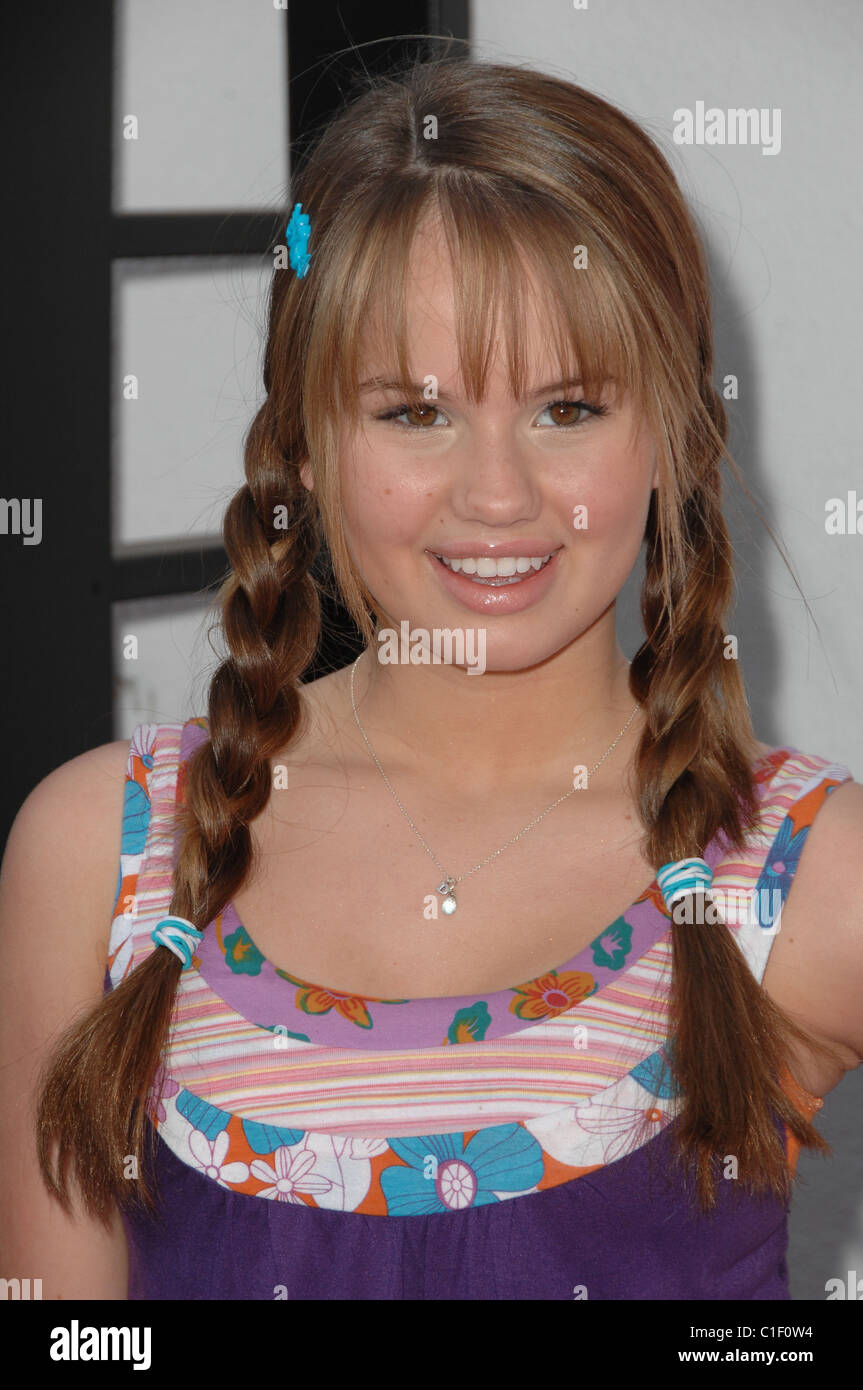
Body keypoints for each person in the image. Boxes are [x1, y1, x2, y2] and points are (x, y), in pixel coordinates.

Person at [2, 56, 861, 1302]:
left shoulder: (802, 874)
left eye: (567, 408)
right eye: (413, 413)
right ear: (302, 441)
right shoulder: (99, 850)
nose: (496, 495)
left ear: (671, 432)